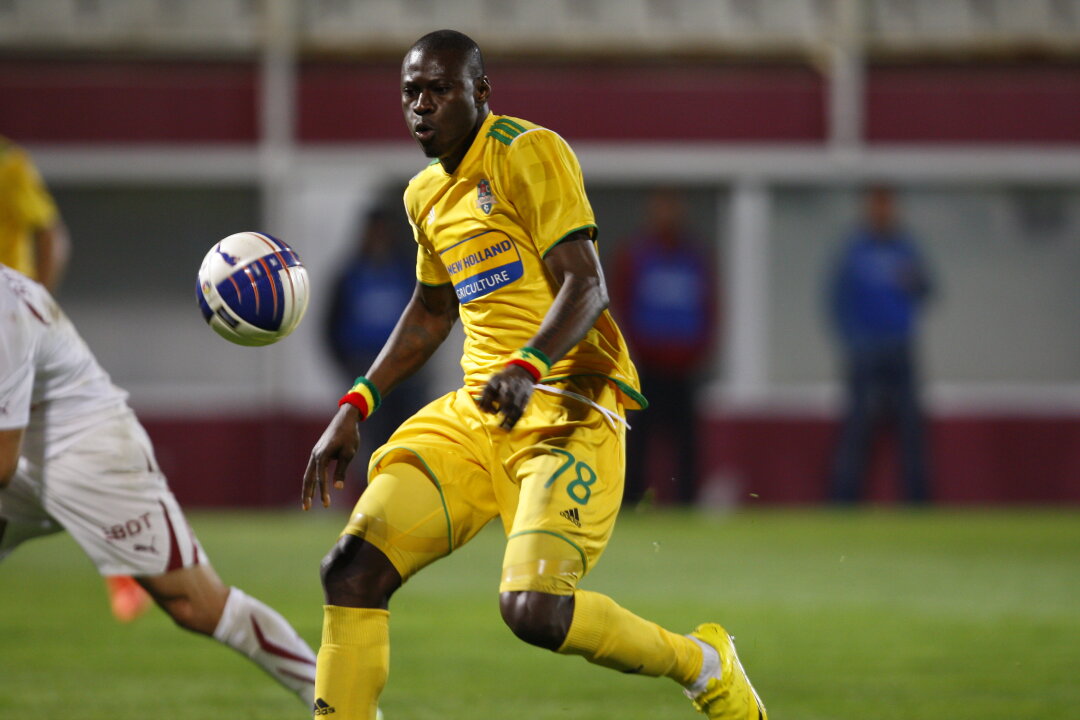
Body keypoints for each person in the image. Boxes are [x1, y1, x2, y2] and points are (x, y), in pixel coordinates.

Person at [301, 30, 766, 720]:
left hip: (568, 408)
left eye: (439, 90)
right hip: (479, 412)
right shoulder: (424, 195)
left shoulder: (527, 151)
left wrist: (527, 365)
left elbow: (586, 285)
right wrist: (356, 402)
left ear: (480, 92)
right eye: (411, 93)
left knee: (533, 610)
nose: (422, 106)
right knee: (351, 570)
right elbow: (432, 309)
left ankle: (703, 664)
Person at [0, 265, 319, 710]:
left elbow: (2, 463)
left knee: (196, 604)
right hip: (28, 451)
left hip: (89, 453)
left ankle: (338, 700)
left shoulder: (6, 310)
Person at [0, 134, 150, 619]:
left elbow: (51, 235)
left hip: (12, 334)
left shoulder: (8, 165)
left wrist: (34, 311)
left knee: (54, 452)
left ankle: (125, 563)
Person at [827, 184, 933, 504]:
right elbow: (835, 300)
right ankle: (844, 504)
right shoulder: (853, 249)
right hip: (865, 350)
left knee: (911, 432)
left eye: (887, 205)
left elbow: (928, 290)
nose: (882, 211)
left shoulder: (906, 247)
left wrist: (915, 279)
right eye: (876, 204)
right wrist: (851, 340)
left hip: (900, 347)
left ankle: (917, 505)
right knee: (857, 431)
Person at [611, 188, 717, 506]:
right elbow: (622, 305)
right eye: (661, 207)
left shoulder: (694, 257)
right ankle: (630, 503)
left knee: (687, 443)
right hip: (646, 366)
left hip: (684, 367)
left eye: (672, 207)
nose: (667, 214)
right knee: (638, 440)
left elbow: (709, 307)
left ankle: (687, 504)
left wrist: (698, 350)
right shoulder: (636, 255)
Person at [324, 204, 429, 496]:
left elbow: (429, 316)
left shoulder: (408, 271)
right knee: (369, 442)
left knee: (408, 437)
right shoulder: (349, 275)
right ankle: (371, 497)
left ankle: (407, 496)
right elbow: (330, 327)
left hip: (406, 372)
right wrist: (348, 366)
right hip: (365, 371)